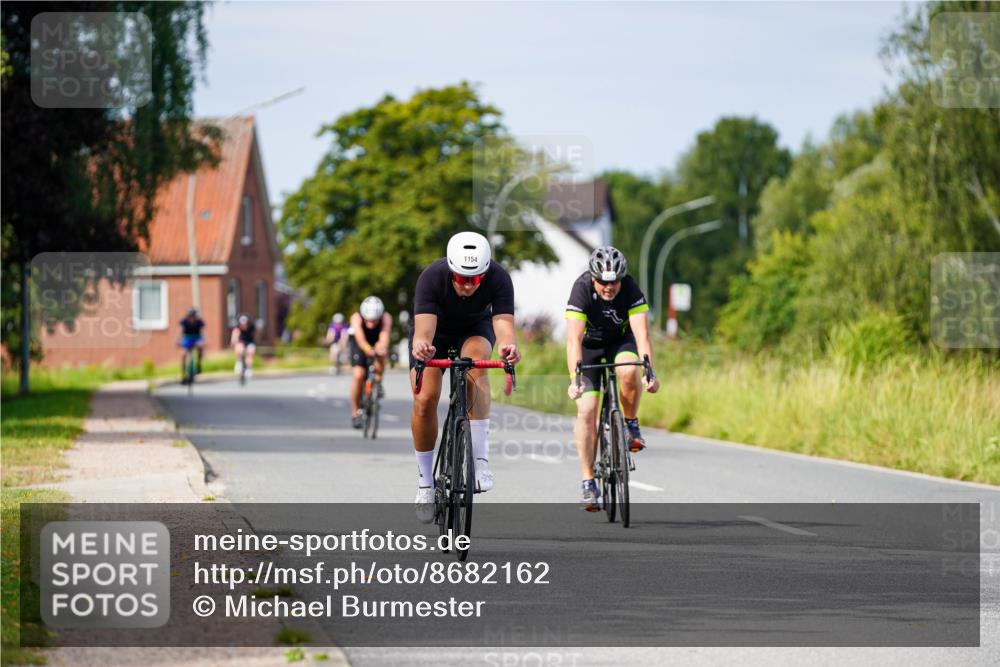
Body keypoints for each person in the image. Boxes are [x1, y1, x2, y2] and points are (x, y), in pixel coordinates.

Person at [410, 231, 521, 522]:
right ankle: (425, 484)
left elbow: (504, 326)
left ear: (485, 273)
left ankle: (480, 462)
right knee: (425, 400)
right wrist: (421, 347)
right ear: (451, 269)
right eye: (461, 278)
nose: (468, 285)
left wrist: (509, 347)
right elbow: (423, 331)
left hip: (474, 329)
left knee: (477, 365)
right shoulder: (432, 277)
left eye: (475, 279)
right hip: (435, 332)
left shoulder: (499, 278)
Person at [565, 246, 660, 511]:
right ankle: (588, 482)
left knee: (629, 370)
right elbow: (573, 339)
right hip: (590, 348)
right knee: (587, 411)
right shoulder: (581, 288)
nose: (609, 287)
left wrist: (649, 371)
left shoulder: (630, 289)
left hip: (620, 342)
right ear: (593, 278)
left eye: (614, 281)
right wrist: (575, 378)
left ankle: (630, 424)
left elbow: (642, 334)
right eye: (604, 282)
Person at [349, 297, 393, 429]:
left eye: (374, 321)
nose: (371, 324)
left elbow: (384, 336)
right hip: (359, 342)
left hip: (376, 339)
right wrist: (367, 349)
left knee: (381, 354)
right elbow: (360, 337)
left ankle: (378, 382)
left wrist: (381, 348)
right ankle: (355, 412)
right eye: (368, 320)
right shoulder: (356, 317)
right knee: (358, 375)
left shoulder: (386, 317)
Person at [178, 307, 205, 382]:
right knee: (183, 354)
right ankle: (183, 375)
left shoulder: (199, 322)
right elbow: (181, 331)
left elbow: (202, 332)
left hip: (197, 338)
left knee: (200, 347)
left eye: (193, 316)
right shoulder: (184, 322)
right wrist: (178, 340)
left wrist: (203, 342)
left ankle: (198, 364)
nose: (191, 318)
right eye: (190, 316)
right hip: (187, 338)